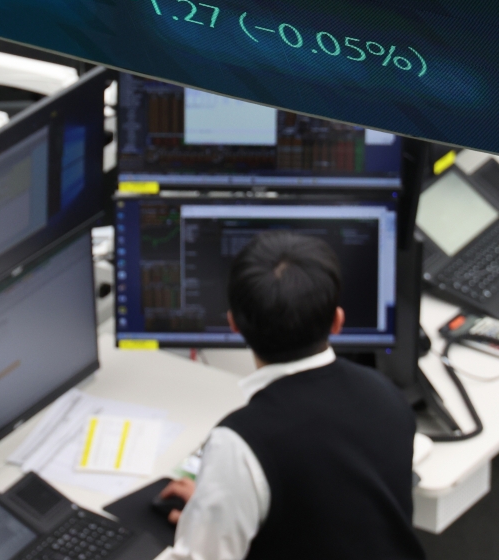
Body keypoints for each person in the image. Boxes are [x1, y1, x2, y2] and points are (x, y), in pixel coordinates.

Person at [159, 231, 424, 560]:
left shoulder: (239, 444)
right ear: (338, 321)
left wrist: (202, 524)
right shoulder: (386, 394)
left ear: (233, 325)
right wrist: (213, 509)